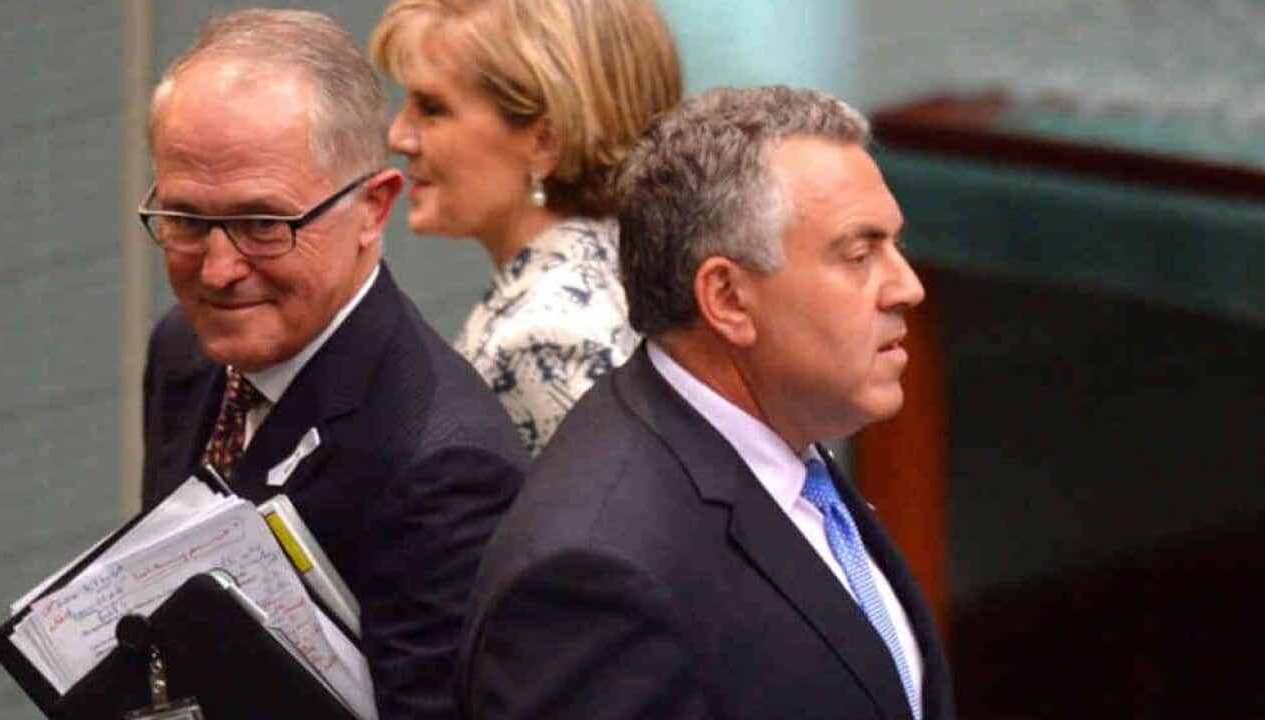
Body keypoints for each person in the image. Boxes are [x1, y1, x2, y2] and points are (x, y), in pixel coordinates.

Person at [456, 86, 955, 720]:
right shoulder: (592, 577)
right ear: (727, 298)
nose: (907, 287)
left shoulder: (784, 439)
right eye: (859, 255)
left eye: (895, 246)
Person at [137, 10, 528, 719]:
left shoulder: (445, 466)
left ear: (373, 209)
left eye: (264, 225)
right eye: (187, 221)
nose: (219, 271)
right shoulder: (185, 351)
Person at [369, 0, 683, 455]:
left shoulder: (548, 333)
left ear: (544, 141)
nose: (399, 136)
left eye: (432, 108)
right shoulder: (623, 265)